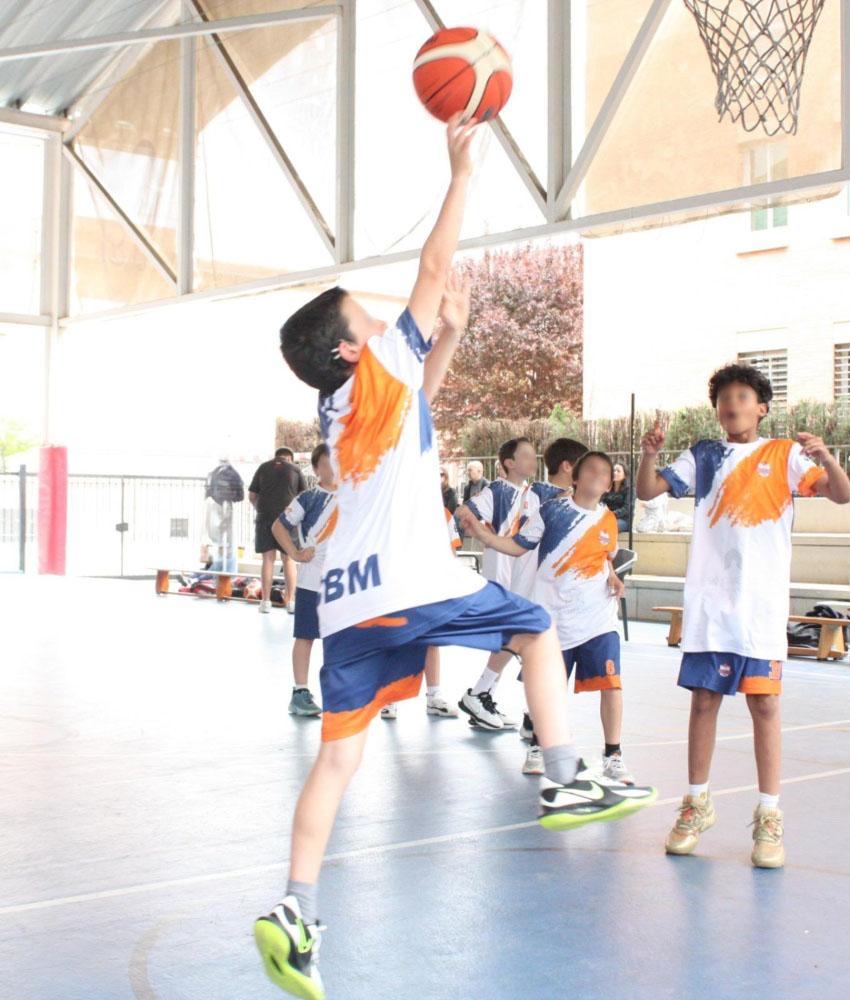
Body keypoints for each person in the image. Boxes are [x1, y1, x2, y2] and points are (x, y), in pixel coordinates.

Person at [253, 116, 656, 1000]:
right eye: (369, 314)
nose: (388, 313)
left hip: (354, 613)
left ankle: (294, 906)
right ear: (353, 347)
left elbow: (424, 397)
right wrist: (462, 172)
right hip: (414, 583)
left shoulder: (347, 410)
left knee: (337, 760)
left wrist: (455, 337)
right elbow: (434, 272)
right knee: (538, 625)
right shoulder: (375, 367)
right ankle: (562, 779)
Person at [636, 362, 850, 869]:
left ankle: (770, 816)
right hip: (711, 605)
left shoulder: (785, 455)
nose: (731, 403)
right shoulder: (704, 455)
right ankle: (695, 804)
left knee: (765, 709)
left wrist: (827, 458)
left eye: (741, 395)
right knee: (705, 701)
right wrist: (648, 457)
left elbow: (841, 495)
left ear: (761, 407)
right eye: (723, 397)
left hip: (760, 606)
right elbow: (647, 492)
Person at [459, 450, 635, 785]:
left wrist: (613, 576)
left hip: (597, 617)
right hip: (555, 618)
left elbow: (606, 557)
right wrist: (483, 536)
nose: (601, 474)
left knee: (612, 685)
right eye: (593, 469)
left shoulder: (608, 520)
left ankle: (613, 753)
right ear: (576, 478)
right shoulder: (552, 511)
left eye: (606, 472)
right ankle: (539, 746)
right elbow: (517, 545)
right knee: (550, 688)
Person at [459, 437, 588, 734]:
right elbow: (465, 512)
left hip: (539, 581)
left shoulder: (545, 495)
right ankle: (484, 695)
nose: (534, 461)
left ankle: (488, 696)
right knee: (523, 639)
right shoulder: (528, 492)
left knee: (527, 643)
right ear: (570, 467)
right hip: (515, 578)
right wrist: (483, 534)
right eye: (586, 467)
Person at [271, 443, 337, 719]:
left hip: (343, 583)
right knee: (306, 635)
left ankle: (338, 693)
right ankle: (300, 692)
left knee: (339, 638)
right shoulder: (309, 499)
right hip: (312, 580)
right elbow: (278, 526)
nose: (335, 467)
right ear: (316, 468)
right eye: (328, 462)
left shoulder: (356, 499)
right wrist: (296, 553)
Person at [380, 507, 462, 721]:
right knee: (399, 639)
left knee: (432, 640)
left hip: (432, 586)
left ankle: (434, 696)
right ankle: (390, 697)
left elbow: (451, 551)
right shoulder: (396, 508)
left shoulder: (442, 512)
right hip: (400, 585)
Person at [249, 447, 307, 614]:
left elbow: (252, 495)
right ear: (290, 458)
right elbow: (303, 497)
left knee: (268, 559)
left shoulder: (263, 467)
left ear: (276, 457)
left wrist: (260, 508)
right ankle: (292, 602)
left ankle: (265, 602)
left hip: (265, 518)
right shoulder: (295, 469)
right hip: (288, 519)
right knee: (288, 559)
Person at [603, 462, 633, 535]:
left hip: (623, 520)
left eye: (618, 471)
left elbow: (627, 508)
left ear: (625, 475)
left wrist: (611, 515)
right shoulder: (607, 488)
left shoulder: (629, 489)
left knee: (607, 526)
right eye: (613, 471)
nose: (615, 473)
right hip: (607, 518)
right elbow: (600, 503)